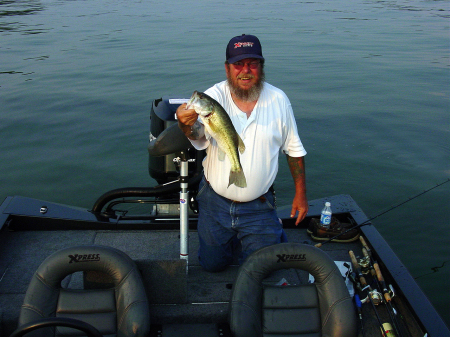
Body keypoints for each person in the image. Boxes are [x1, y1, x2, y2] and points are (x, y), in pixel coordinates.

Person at [176, 34, 308, 272]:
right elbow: (197, 135)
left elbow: (294, 150)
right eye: (238, 64)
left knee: (263, 272)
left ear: (261, 67)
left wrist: (300, 194)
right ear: (227, 68)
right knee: (211, 266)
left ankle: (266, 228)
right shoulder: (213, 97)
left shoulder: (279, 100)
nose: (245, 70)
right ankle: (240, 240)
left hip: (259, 206)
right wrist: (184, 124)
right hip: (214, 203)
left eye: (252, 64)